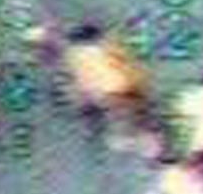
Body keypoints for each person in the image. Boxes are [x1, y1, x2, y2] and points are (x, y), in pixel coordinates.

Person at [61, 22, 159, 154]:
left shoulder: (77, 55)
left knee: (125, 113)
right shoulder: (103, 47)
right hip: (120, 90)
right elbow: (126, 64)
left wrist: (84, 102)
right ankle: (141, 136)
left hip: (112, 92)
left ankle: (139, 135)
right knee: (130, 113)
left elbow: (81, 82)